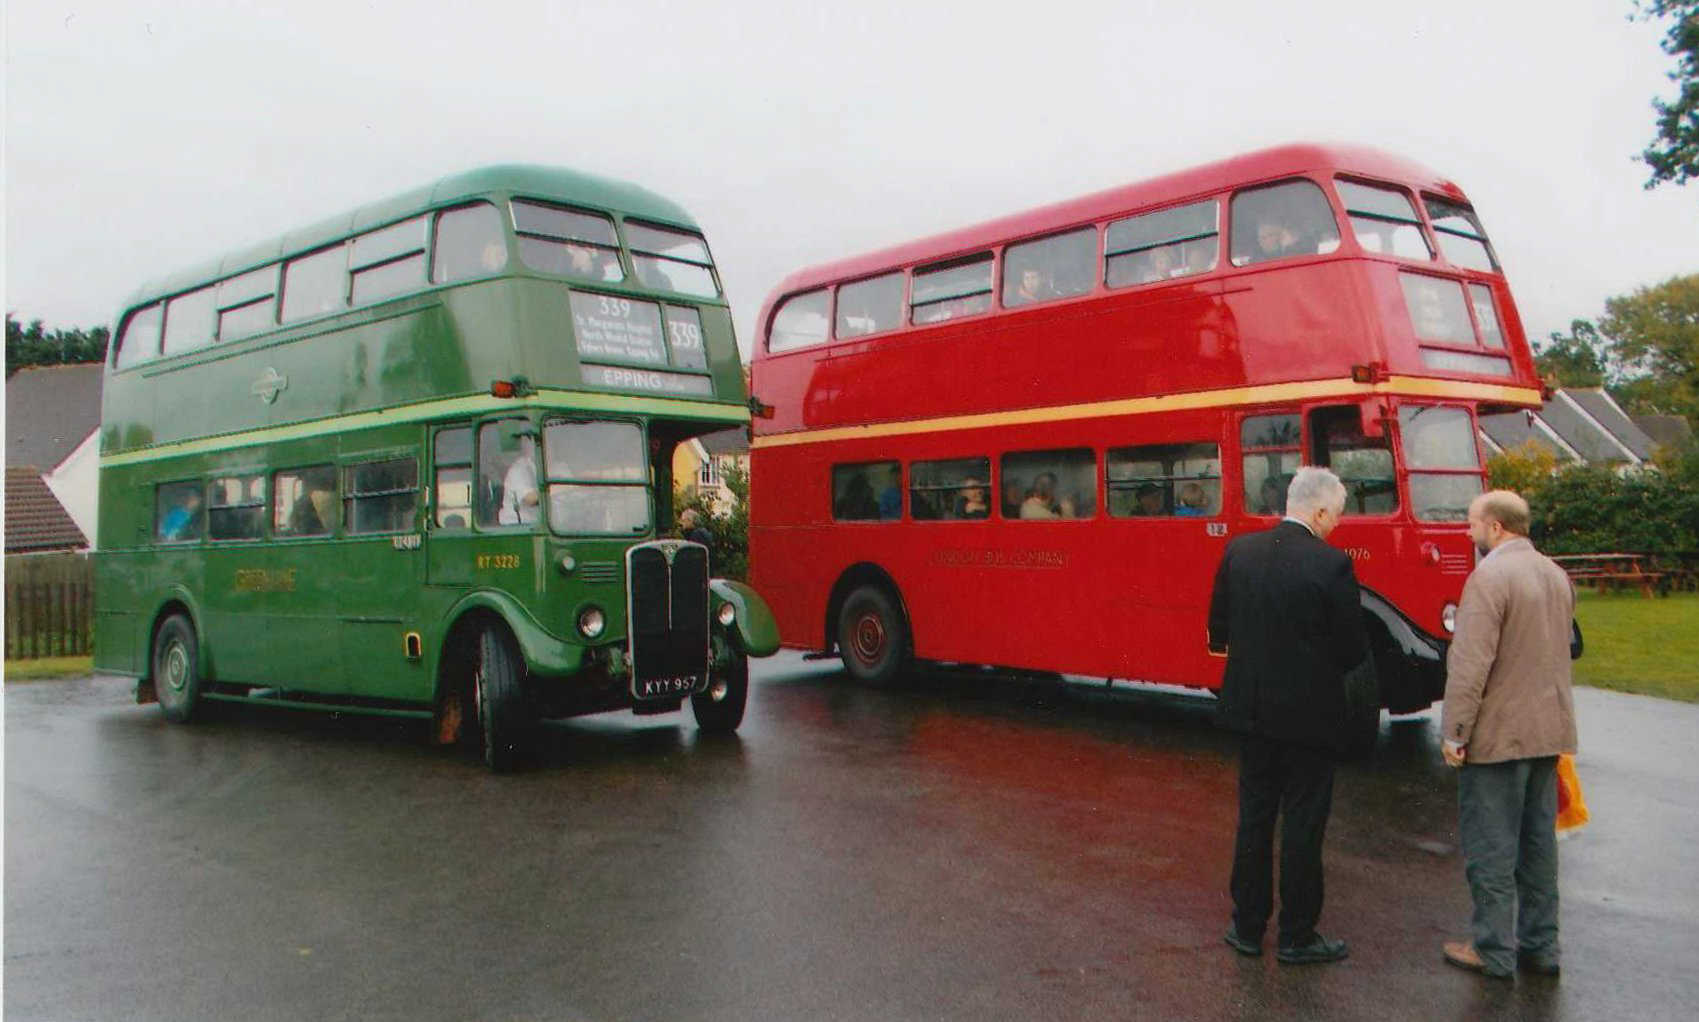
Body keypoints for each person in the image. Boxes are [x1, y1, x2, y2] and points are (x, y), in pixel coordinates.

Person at [1207, 466, 1369, 965]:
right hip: (1309, 718)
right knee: (1302, 825)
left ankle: (1247, 927)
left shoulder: (1239, 551)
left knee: (1254, 820)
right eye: (1337, 515)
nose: (1337, 524)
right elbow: (1352, 651)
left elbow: (1218, 629)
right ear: (1319, 511)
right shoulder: (1332, 565)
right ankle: (1298, 935)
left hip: (1251, 712)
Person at [1439, 490, 1577, 980]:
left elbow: (1469, 664)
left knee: (1490, 847)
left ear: (1496, 527)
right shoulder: (1556, 575)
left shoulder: (1489, 577)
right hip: (1549, 731)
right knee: (1539, 846)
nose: (1468, 532)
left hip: (1498, 736)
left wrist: (1455, 731)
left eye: (1473, 524)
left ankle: (1492, 948)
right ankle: (1542, 947)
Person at [498, 436, 540, 525]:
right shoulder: (518, 470)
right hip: (516, 526)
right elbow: (531, 499)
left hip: (538, 524)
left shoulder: (549, 467)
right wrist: (561, 488)